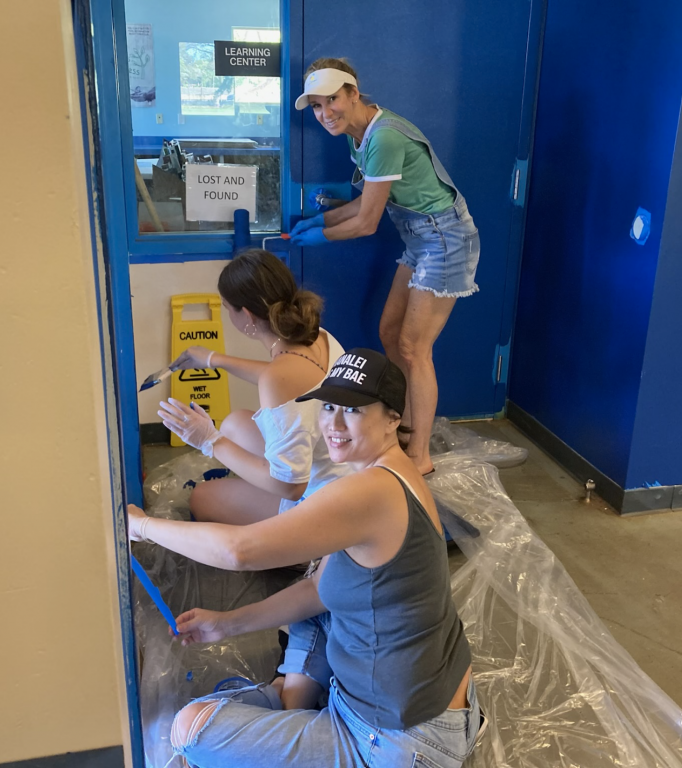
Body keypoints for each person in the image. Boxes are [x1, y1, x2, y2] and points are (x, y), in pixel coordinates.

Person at [128, 348, 482, 768]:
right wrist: (227, 624)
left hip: (399, 740)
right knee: (321, 596)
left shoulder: (372, 491)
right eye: (328, 406)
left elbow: (240, 551)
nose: (333, 424)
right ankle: (291, 702)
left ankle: (292, 705)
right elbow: (317, 590)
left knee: (190, 730)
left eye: (353, 411)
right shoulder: (391, 473)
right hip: (435, 705)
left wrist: (142, 526)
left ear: (392, 418)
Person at [288, 58, 480, 475]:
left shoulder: (385, 136)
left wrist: (321, 236)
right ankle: (405, 427)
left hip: (445, 239)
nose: (325, 113)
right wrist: (320, 220)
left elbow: (366, 222)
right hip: (420, 238)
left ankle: (419, 456)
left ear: (353, 94)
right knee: (390, 333)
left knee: (414, 349)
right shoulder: (358, 135)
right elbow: (364, 200)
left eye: (332, 100)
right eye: (317, 106)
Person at [162, 249, 348, 525]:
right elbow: (292, 376)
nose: (228, 313)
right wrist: (214, 359)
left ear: (247, 316)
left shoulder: (278, 377)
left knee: (202, 497)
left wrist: (210, 441)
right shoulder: (318, 335)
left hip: (327, 501)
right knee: (235, 423)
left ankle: (298, 544)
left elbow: (291, 486)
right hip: (346, 467)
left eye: (227, 308)